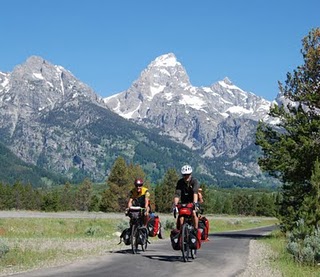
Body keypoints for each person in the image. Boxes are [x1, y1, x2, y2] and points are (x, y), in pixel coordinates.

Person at [173, 164, 200, 230]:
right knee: (181, 216)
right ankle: (182, 231)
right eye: (185, 175)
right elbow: (177, 194)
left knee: (194, 213)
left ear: (190, 174)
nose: (186, 176)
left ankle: (195, 230)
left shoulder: (194, 181)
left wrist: (195, 204)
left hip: (193, 201)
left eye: (188, 174)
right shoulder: (180, 182)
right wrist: (175, 205)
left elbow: (195, 193)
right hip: (184, 202)